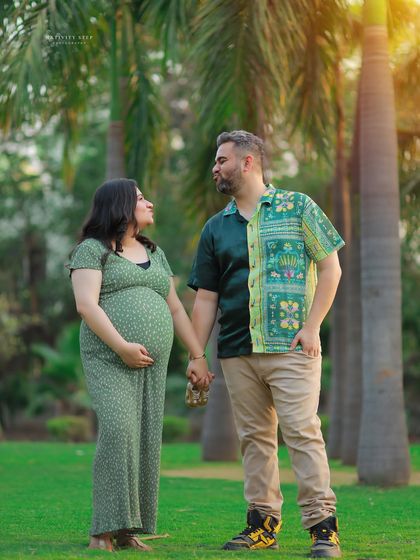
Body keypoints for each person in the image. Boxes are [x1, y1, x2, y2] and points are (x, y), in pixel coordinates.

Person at [188, 131, 345, 558]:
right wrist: (197, 354)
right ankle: (262, 526)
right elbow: (206, 296)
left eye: (222, 160)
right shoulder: (216, 228)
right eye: (215, 161)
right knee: (255, 439)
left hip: (292, 347)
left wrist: (312, 326)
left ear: (248, 162)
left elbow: (331, 268)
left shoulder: (298, 208)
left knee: (302, 432)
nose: (215, 168)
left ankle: (323, 529)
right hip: (237, 351)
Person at [68, 178, 213, 552]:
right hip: (110, 355)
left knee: (144, 438)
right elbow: (86, 306)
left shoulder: (154, 252)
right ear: (119, 206)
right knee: (118, 430)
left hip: (153, 361)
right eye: (140, 198)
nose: (150, 203)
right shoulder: (92, 250)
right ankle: (102, 529)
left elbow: (176, 308)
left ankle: (127, 529)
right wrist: (121, 347)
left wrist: (197, 355)